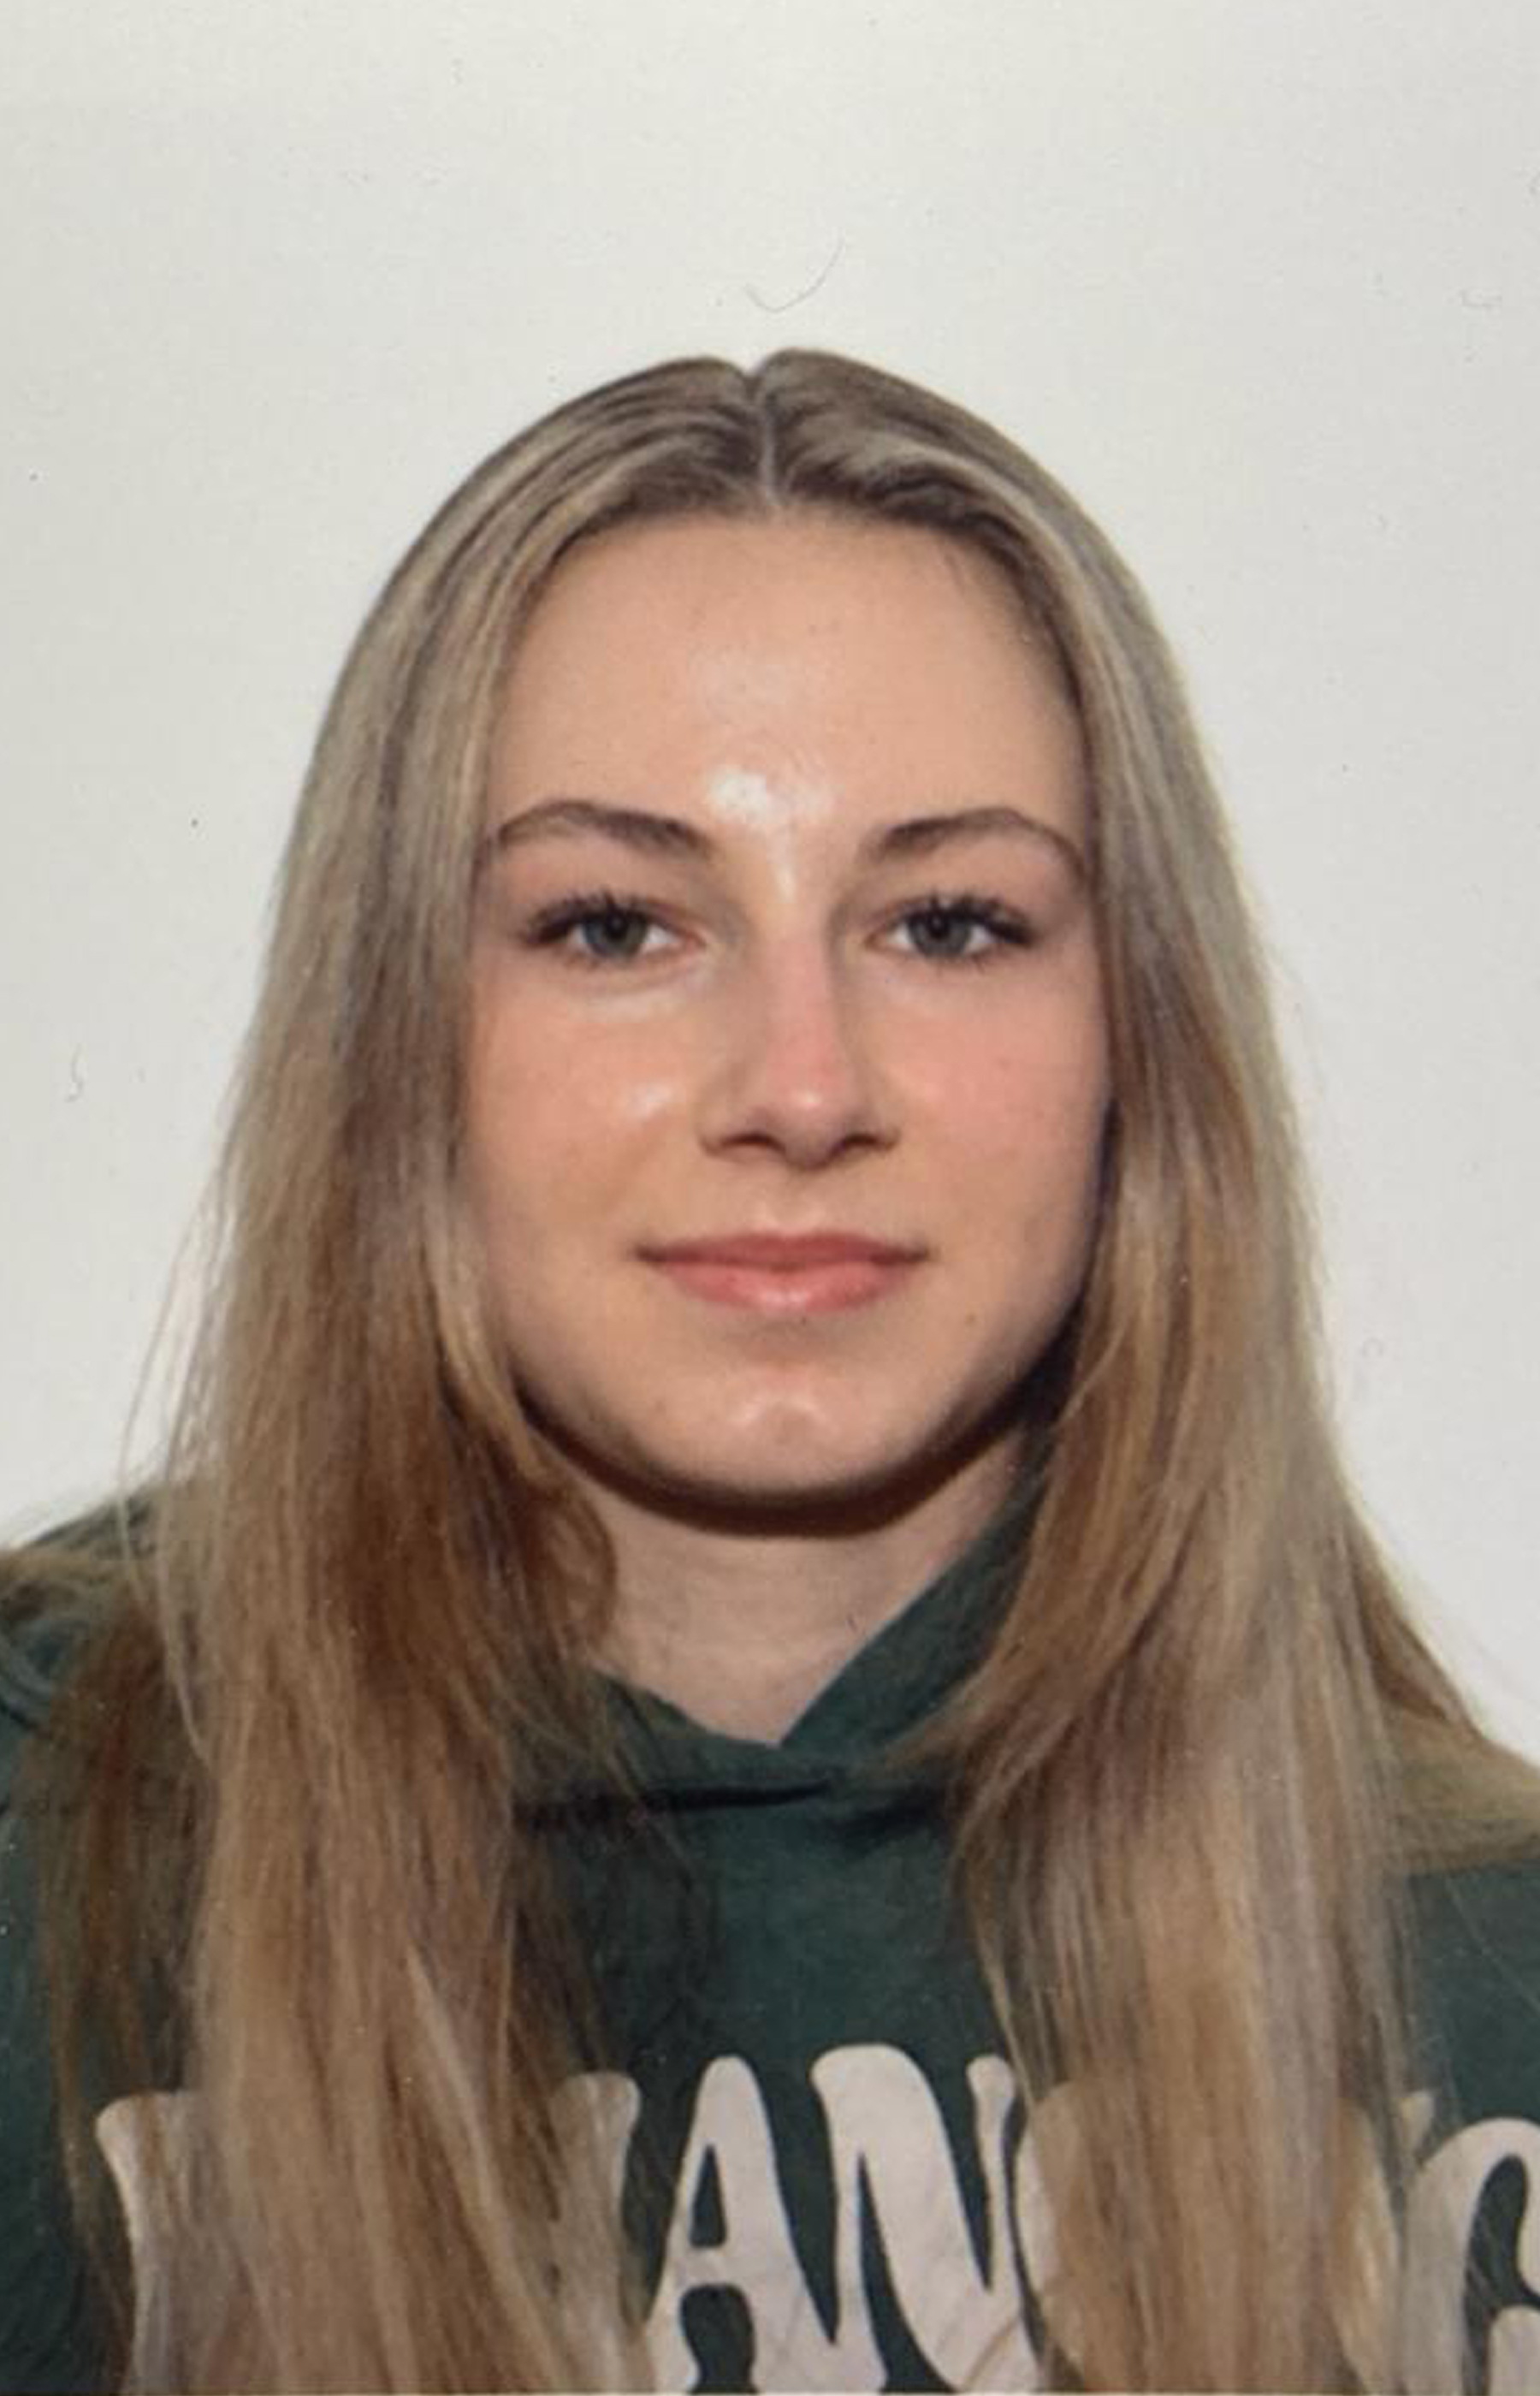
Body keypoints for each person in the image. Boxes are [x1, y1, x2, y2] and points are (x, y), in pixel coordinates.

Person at [3, 349, 1538, 2396]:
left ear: (1140, 1043)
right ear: (398, 1041)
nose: (804, 1088)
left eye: (950, 923)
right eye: (616, 924)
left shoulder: (1493, 1966)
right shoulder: (49, 1872)